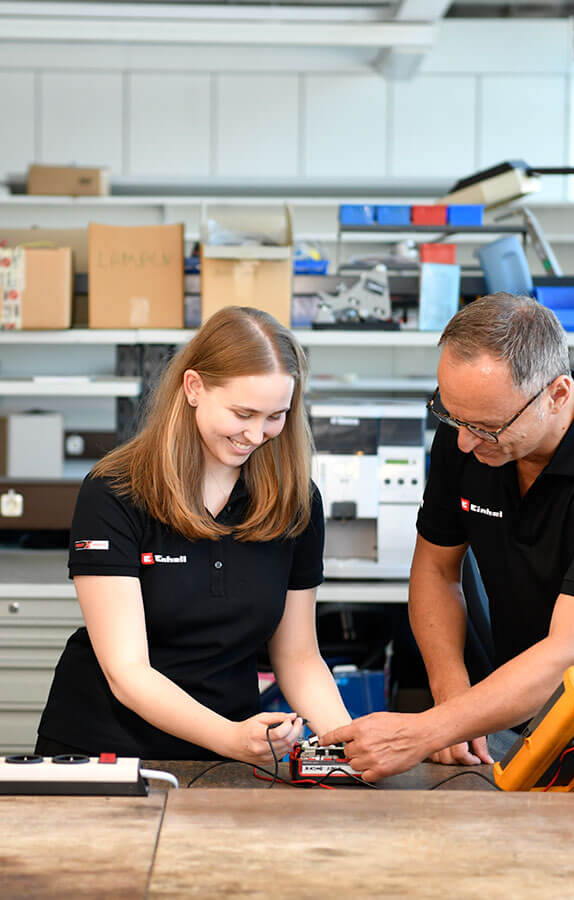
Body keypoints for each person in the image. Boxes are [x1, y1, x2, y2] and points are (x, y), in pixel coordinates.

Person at [322, 293, 574, 781]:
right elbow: (436, 569)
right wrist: (453, 700)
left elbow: (567, 653)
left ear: (556, 394)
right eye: (451, 416)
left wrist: (424, 731)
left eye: (487, 427)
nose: (464, 442)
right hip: (512, 716)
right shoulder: (467, 431)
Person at [36, 305, 351, 762]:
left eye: (275, 416)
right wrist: (230, 738)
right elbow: (128, 672)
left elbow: (298, 657)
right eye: (243, 412)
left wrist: (349, 744)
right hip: (104, 751)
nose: (257, 434)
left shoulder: (295, 501)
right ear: (194, 387)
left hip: (228, 758)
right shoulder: (115, 492)